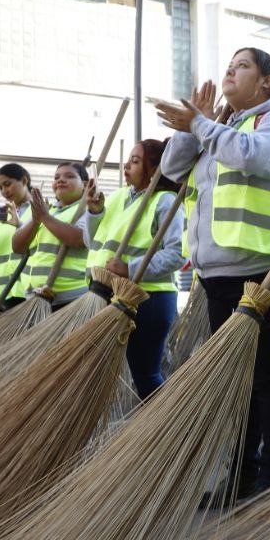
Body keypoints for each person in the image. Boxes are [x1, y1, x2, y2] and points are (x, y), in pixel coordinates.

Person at [159, 46, 270, 507]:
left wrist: (202, 123)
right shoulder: (222, 126)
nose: (230, 71)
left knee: (265, 377)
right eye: (229, 64)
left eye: (243, 66)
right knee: (237, 382)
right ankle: (239, 476)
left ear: (266, 82)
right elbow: (171, 169)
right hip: (217, 272)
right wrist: (192, 126)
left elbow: (256, 158)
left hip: (262, 270)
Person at [85, 140, 185, 399]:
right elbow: (90, 241)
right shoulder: (118, 197)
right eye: (128, 159)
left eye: (136, 160)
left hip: (149, 298)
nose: (127, 165)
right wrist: (94, 212)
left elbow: (177, 254)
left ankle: (161, 428)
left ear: (154, 169)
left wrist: (130, 269)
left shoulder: (165, 201)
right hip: (109, 294)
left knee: (145, 374)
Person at [12, 162, 91, 310]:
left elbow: (79, 239)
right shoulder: (45, 209)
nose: (61, 180)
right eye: (56, 177)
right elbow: (17, 246)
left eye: (69, 176)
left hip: (70, 298)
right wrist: (36, 220)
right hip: (36, 297)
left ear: (85, 185)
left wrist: (44, 217)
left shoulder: (89, 209)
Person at [0, 164, 34, 306]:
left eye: (7, 184)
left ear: (24, 181)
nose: (4, 191)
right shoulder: (3, 216)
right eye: (0, 187)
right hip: (4, 292)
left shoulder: (40, 210)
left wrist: (20, 225)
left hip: (27, 290)